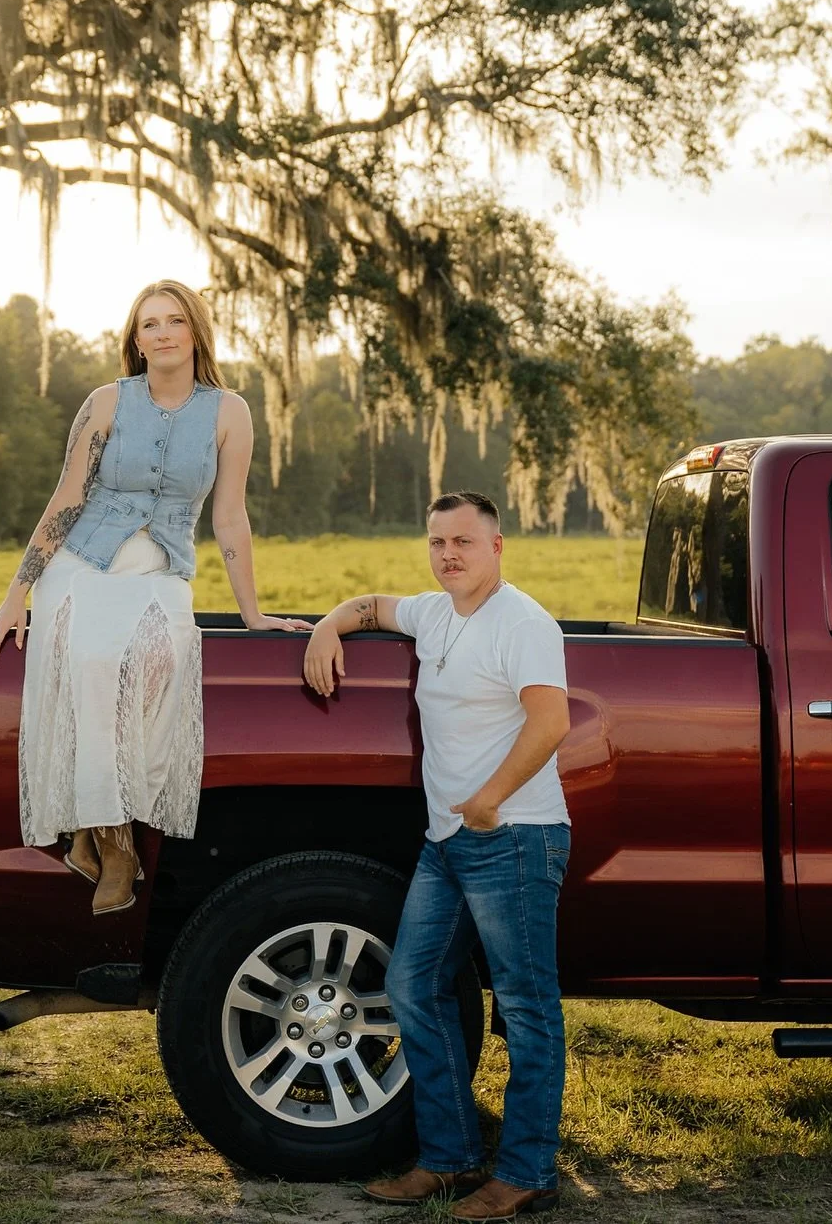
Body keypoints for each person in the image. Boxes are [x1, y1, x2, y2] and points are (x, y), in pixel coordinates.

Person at [0, 280, 297, 915]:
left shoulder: (230, 412)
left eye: (175, 321)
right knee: (94, 667)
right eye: (150, 325)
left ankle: (88, 835)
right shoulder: (107, 403)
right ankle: (115, 843)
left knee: (159, 664)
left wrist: (253, 612)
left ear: (195, 331)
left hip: (162, 570)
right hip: (83, 564)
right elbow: (66, 499)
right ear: (136, 340)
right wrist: (17, 595)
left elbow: (229, 516)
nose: (163, 333)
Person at [303, 492, 571, 1221]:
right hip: (449, 845)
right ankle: (449, 1159)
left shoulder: (522, 623)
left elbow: (552, 721)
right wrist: (328, 624)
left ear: (497, 546)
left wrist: (488, 799)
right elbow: (370, 606)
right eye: (437, 541)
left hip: (512, 836)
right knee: (414, 984)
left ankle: (527, 1174)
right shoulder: (433, 611)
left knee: (525, 1006)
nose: (449, 553)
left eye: (463, 541)